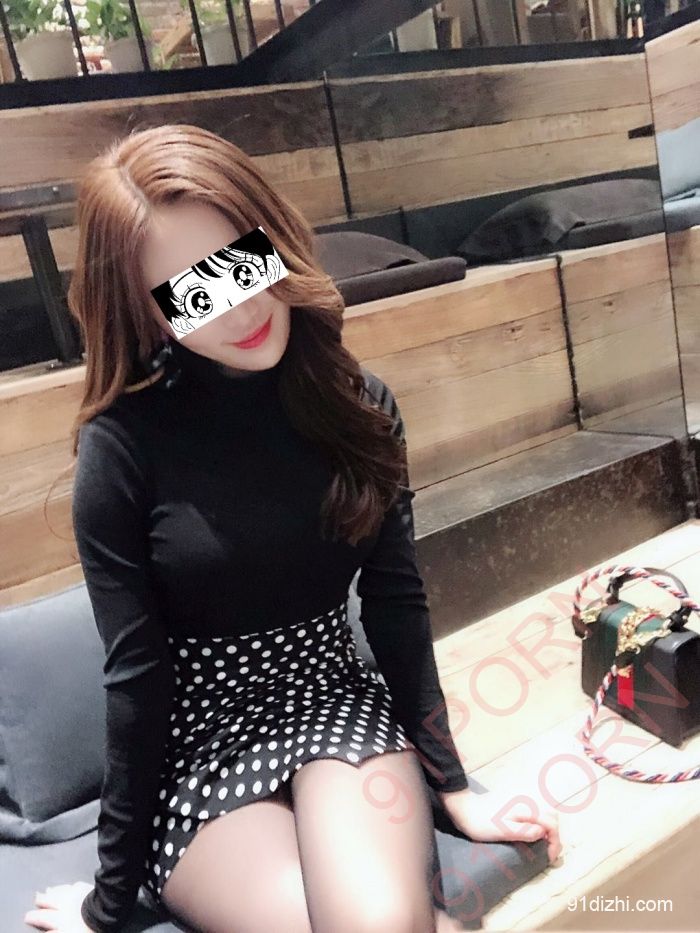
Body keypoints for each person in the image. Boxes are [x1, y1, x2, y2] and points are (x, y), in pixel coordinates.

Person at [24, 124, 560, 933]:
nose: (240, 304)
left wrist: (454, 785)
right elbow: (137, 679)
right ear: (149, 313)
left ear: (271, 236)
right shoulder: (122, 447)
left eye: (240, 259)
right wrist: (106, 905)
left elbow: (396, 605)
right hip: (201, 743)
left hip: (332, 699)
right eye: (194, 288)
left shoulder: (356, 405)